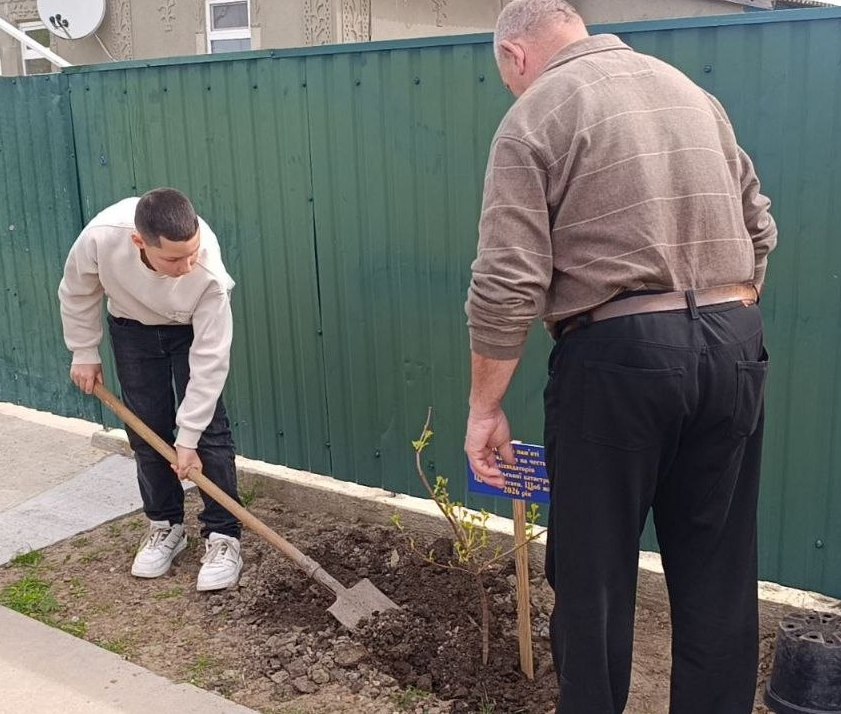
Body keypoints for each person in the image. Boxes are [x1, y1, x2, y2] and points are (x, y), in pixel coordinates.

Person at [464, 2, 777, 712]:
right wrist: (728, 308)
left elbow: (508, 279)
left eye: (505, 75)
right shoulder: (690, 94)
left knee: (593, 576)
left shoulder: (536, 113)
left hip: (617, 354)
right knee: (717, 571)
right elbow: (760, 225)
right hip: (734, 341)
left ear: (514, 56)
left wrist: (485, 408)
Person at [58, 188, 244, 592]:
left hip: (190, 327)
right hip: (132, 328)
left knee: (209, 432)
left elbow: (211, 361)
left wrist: (189, 438)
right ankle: (165, 526)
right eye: (175, 258)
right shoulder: (101, 238)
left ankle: (223, 535)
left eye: (192, 252)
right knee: (146, 430)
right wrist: (84, 351)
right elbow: (77, 290)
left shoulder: (208, 273)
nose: (188, 263)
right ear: (139, 242)